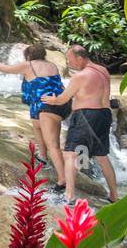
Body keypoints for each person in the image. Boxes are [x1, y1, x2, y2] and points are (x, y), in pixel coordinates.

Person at [40, 44, 119, 206]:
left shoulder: (80, 76)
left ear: (80, 58)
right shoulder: (102, 70)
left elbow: (62, 99)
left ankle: (69, 196)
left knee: (70, 154)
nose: (69, 64)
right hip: (104, 115)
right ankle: (114, 196)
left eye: (70, 60)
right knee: (102, 156)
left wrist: (50, 99)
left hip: (86, 117)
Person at [0, 44, 64, 178]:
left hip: (43, 105)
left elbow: (4, 69)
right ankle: (42, 155)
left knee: (52, 144)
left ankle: (62, 179)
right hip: (56, 102)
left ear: (28, 55)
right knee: (37, 127)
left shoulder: (28, 65)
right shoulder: (52, 65)